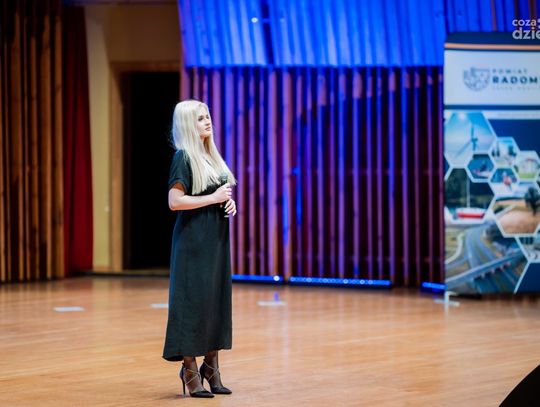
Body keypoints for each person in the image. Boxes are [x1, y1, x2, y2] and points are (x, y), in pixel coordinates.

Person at [162, 100, 237, 398]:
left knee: (215, 300)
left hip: (215, 241)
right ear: (187, 124)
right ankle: (190, 370)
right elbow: (174, 202)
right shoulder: (183, 157)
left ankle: (211, 366)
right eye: (200, 118)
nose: (208, 122)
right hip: (193, 242)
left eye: (207, 117)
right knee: (192, 304)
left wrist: (227, 203)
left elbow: (216, 194)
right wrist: (214, 198)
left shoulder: (210, 156)